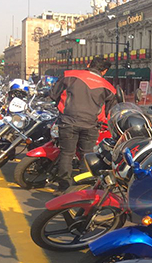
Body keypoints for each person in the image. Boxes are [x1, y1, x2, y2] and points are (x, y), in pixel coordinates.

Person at [50, 56, 117, 190]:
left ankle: (64, 186)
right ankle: (83, 188)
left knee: (67, 153)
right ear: (104, 71)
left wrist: (63, 108)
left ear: (88, 64)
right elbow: (110, 111)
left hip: (68, 121)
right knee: (86, 156)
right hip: (91, 124)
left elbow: (53, 94)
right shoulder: (109, 87)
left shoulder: (69, 75)